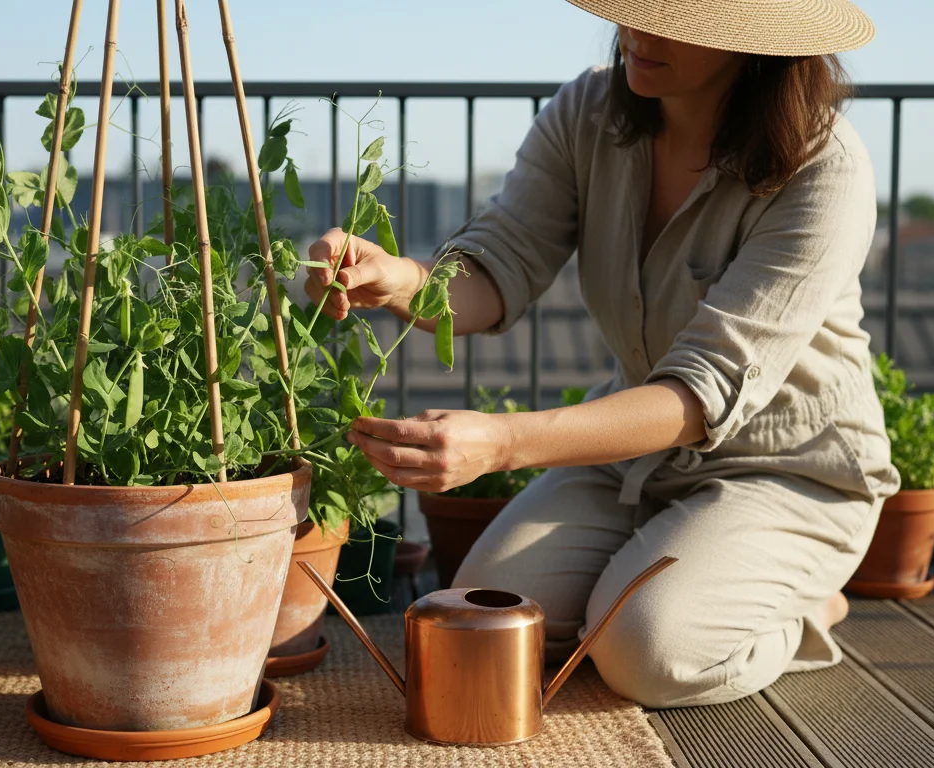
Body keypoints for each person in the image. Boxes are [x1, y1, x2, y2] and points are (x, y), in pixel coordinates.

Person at [303, 0, 898, 709]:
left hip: (788, 473)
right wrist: (398, 280)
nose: (636, 31)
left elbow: (698, 395)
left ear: (753, 43)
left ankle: (804, 609)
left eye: (672, 17)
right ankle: (665, 571)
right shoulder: (589, 110)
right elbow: (500, 266)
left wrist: (500, 443)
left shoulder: (825, 171)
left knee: (647, 653)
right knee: (480, 617)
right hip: (631, 460)